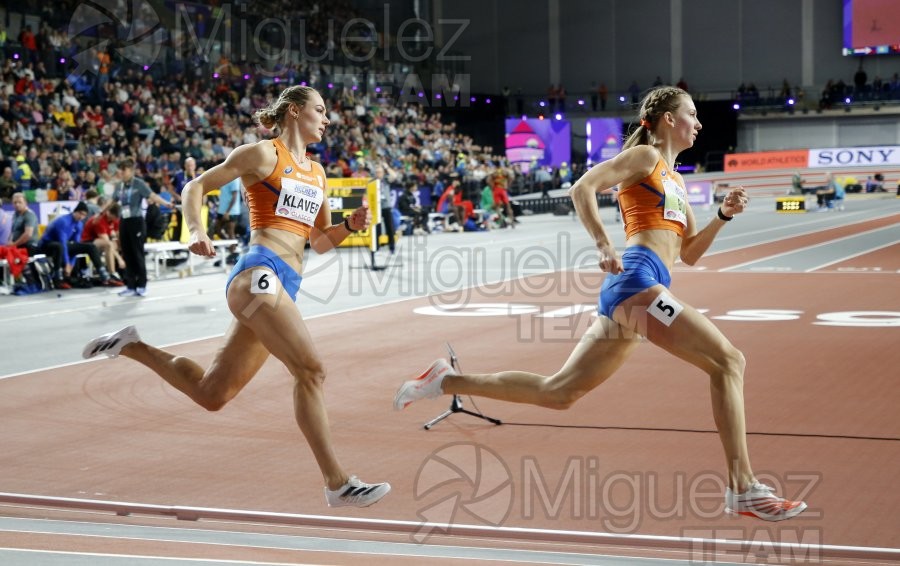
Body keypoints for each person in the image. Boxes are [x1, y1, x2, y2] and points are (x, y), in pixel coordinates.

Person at [395, 86, 807, 523]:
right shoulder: (646, 158)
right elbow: (582, 188)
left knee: (560, 392)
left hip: (644, 286)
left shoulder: (678, 181)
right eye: (691, 114)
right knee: (728, 361)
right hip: (635, 280)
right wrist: (602, 244)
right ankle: (742, 487)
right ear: (668, 119)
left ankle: (447, 381)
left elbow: (689, 253)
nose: (699, 123)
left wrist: (722, 217)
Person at [82, 85, 390, 509]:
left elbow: (318, 242)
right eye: (320, 110)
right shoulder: (263, 155)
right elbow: (195, 187)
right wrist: (197, 231)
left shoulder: (318, 173)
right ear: (296, 111)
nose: (326, 119)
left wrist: (350, 225)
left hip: (286, 286)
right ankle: (337, 482)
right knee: (311, 371)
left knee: (212, 394)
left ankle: (130, 344)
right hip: (258, 273)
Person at [113, 158, 169, 297]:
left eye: (124, 170)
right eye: (120, 169)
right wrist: (100, 212)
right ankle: (131, 286)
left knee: (137, 254)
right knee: (127, 254)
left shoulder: (139, 184)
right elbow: (112, 201)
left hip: (137, 222)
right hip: (124, 221)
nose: (121, 172)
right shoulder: (119, 186)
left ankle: (142, 285)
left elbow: (152, 196)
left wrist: (166, 204)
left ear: (131, 171)